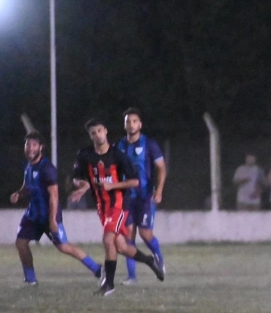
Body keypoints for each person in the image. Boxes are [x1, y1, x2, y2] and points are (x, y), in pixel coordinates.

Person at [69, 119, 164, 295]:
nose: (97, 135)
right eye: (93, 133)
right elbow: (76, 177)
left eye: (99, 130)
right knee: (120, 246)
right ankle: (150, 261)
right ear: (90, 136)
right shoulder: (85, 154)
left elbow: (135, 181)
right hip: (101, 206)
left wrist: (111, 186)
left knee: (107, 239)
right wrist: (83, 184)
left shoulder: (118, 155)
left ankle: (109, 284)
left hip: (118, 204)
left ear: (105, 131)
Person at [10, 132, 102, 286]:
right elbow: (28, 186)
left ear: (41, 148)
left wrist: (52, 221)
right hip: (33, 215)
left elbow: (54, 195)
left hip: (49, 216)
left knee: (64, 246)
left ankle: (97, 268)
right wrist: (19, 194)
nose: (30, 148)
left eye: (34, 145)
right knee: (20, 242)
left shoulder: (47, 168)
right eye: (27, 145)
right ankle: (30, 280)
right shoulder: (28, 166)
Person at [117, 108, 167, 283]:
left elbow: (161, 167)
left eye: (134, 121)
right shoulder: (120, 146)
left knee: (145, 234)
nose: (131, 124)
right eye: (127, 121)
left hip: (145, 196)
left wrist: (159, 190)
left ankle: (160, 261)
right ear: (124, 125)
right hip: (126, 198)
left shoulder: (149, 144)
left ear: (140, 124)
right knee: (127, 236)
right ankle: (132, 277)